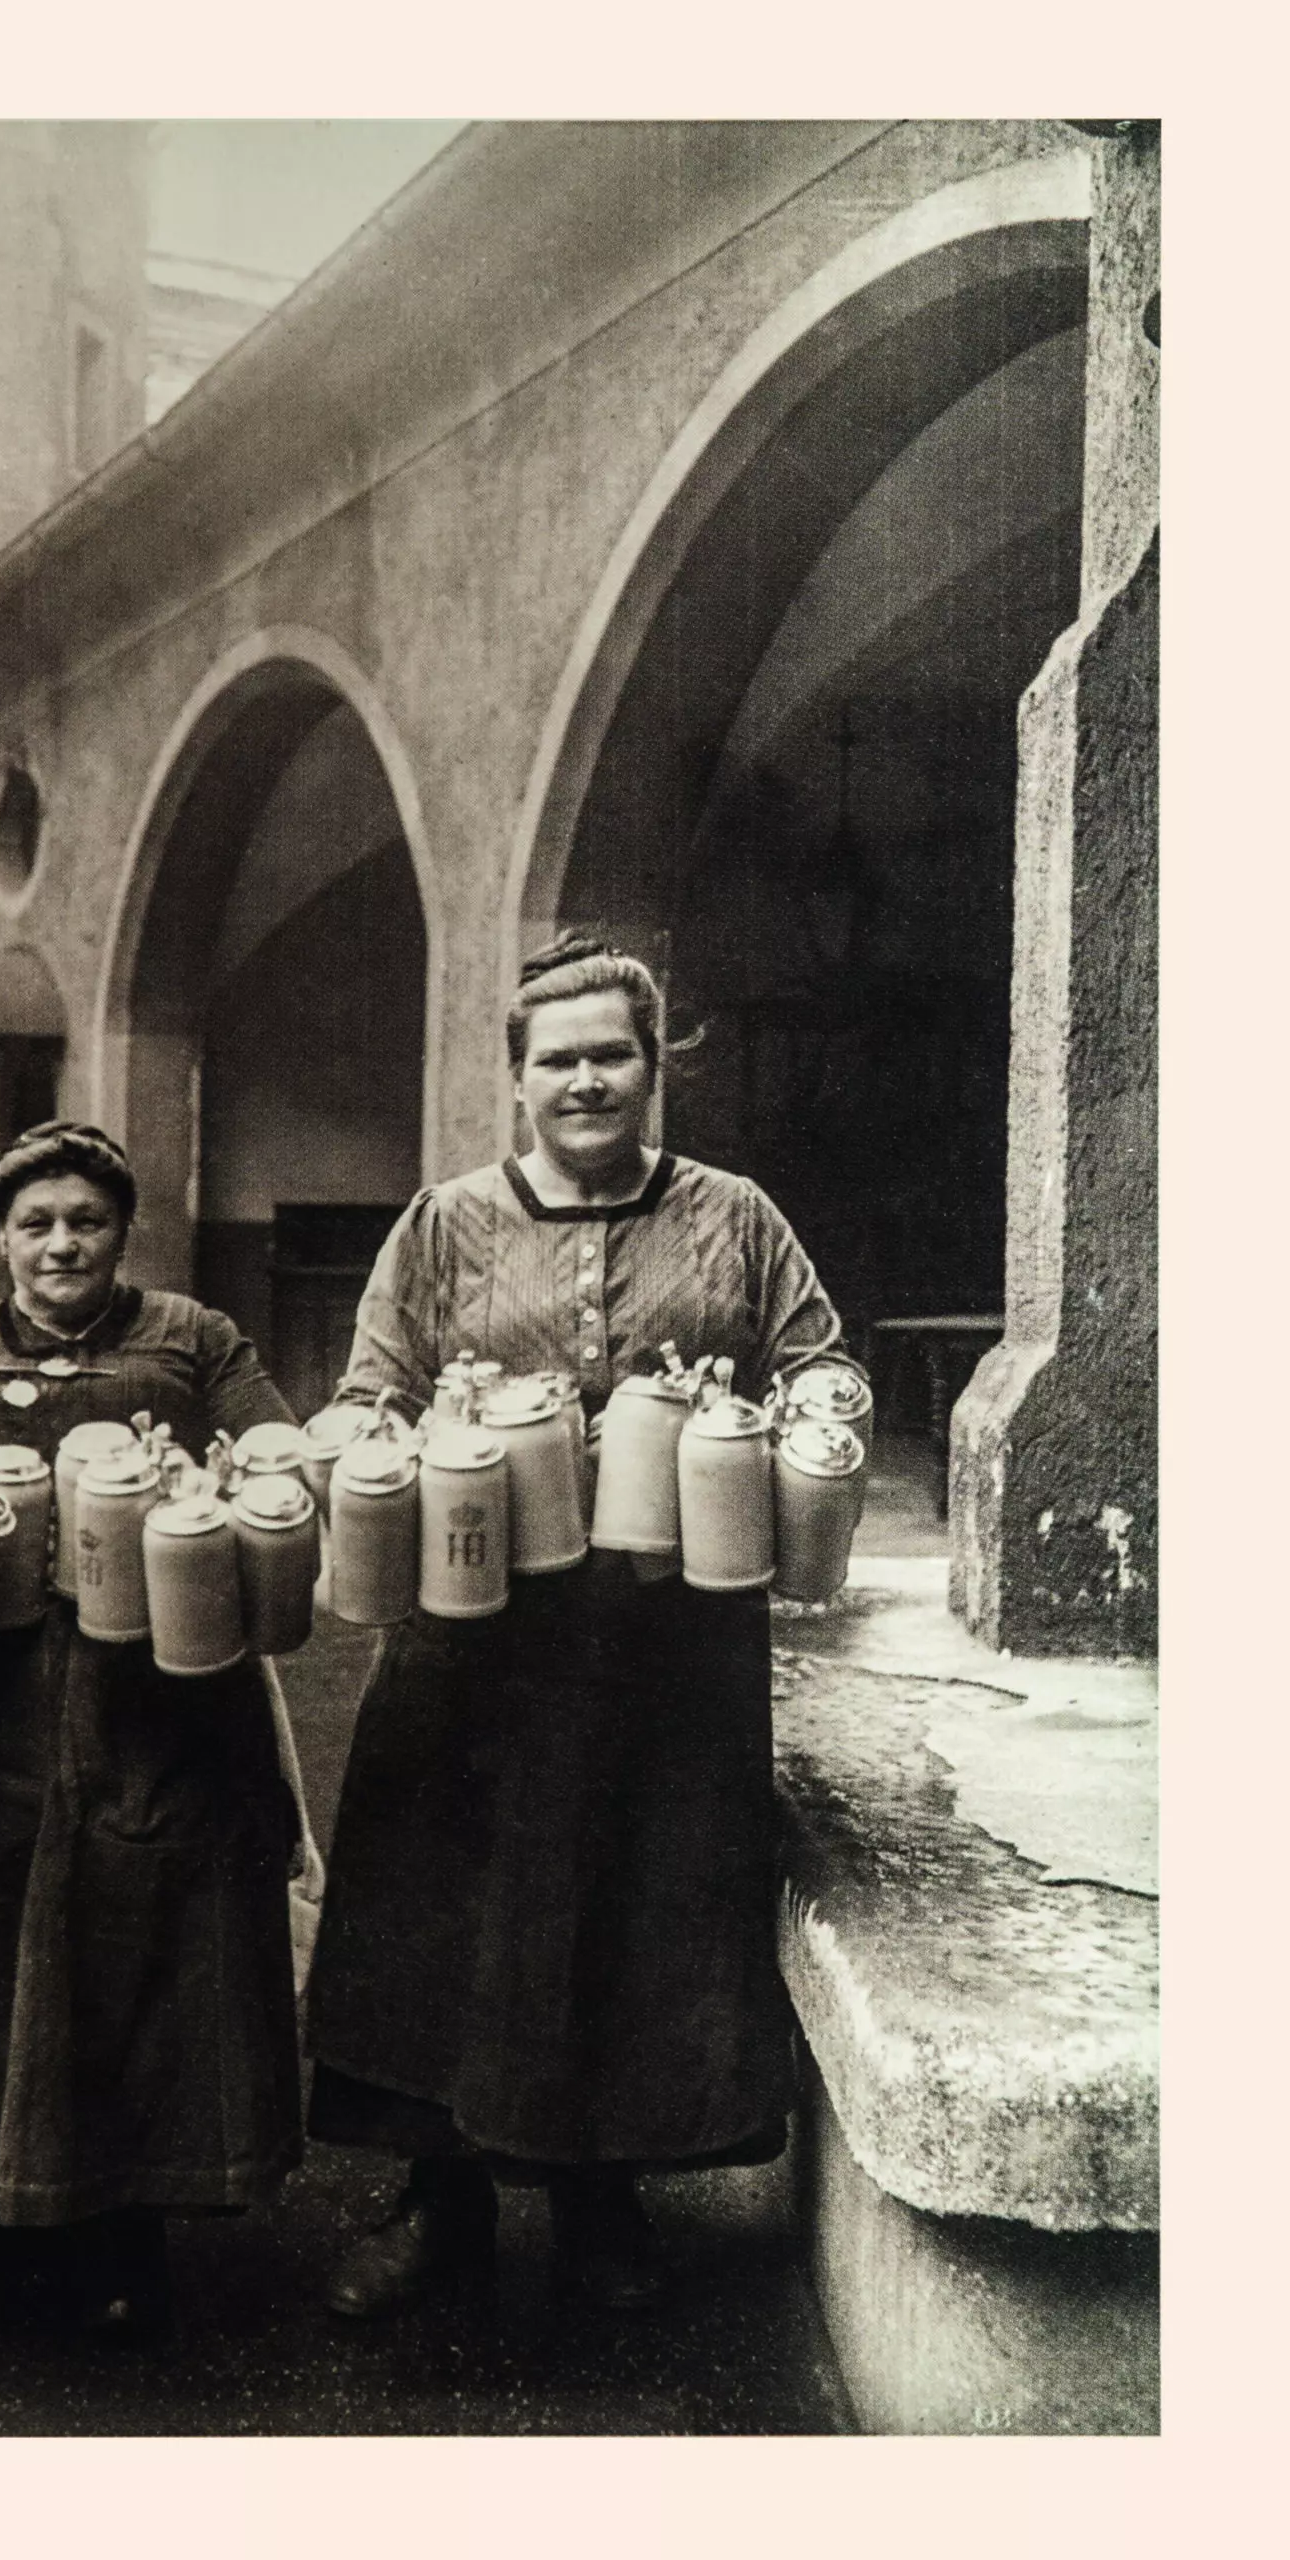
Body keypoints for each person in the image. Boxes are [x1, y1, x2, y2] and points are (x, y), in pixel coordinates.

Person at [304, 935, 842, 2318]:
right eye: (559, 1060)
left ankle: (609, 2202)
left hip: (665, 1649)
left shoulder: (734, 1215)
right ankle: (443, 2206)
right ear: (518, 1081)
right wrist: (375, 1437)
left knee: (635, 1905)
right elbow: (372, 1387)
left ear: (654, 1069)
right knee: (446, 1909)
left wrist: (797, 1421)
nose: (587, 1081)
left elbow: (818, 1361)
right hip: (472, 1635)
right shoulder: (443, 1224)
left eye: (613, 1055)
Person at [0, 1121, 303, 2335]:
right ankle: (8, 2222)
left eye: (85, 1219)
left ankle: (131, 2220)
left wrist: (236, 1483)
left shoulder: (192, 1336)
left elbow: (273, 1449)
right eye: (33, 1223)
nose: (60, 1243)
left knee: (139, 1945)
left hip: (159, 1695)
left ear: (121, 1229)